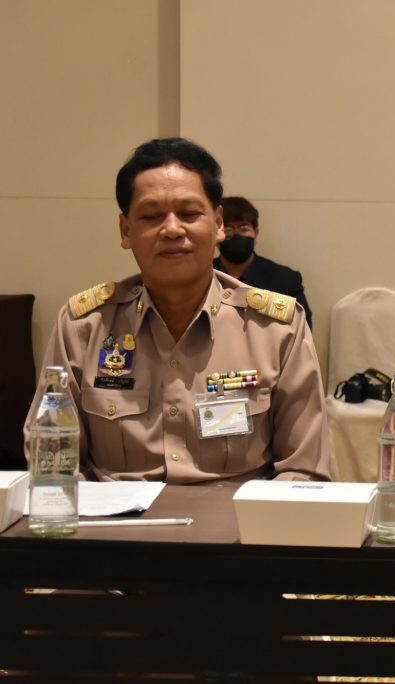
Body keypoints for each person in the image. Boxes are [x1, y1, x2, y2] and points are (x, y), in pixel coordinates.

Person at [24, 138, 330, 484]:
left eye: (188, 213)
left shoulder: (276, 329)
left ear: (218, 224)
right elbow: (53, 464)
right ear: (126, 230)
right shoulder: (84, 327)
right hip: (115, 518)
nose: (172, 229)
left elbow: (304, 470)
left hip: (235, 518)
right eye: (152, 216)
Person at [213, 196, 313, 329]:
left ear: (256, 233)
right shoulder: (200, 276)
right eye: (228, 230)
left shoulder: (285, 280)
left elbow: (302, 329)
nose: (237, 235)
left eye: (243, 228)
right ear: (217, 234)